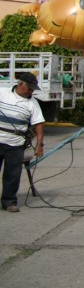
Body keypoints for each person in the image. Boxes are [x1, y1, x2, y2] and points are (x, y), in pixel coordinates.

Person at [0, 73, 45, 212]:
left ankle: (9, 201)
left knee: (12, 175)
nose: (31, 91)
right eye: (29, 88)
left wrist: (39, 144)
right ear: (20, 84)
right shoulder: (2, 92)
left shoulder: (33, 103)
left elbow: (39, 124)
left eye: (33, 89)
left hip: (16, 144)